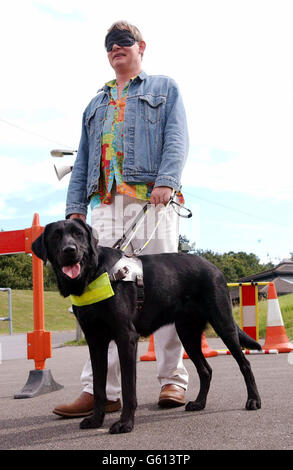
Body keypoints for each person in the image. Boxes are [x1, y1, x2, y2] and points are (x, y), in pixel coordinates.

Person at [53, 20, 189, 418]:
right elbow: (81, 161)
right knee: (99, 296)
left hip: (153, 200)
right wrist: (74, 208)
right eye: (110, 44)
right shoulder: (95, 104)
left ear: (141, 47)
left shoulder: (164, 89)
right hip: (105, 207)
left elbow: (177, 138)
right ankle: (102, 392)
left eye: (124, 42)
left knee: (165, 290)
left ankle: (172, 381)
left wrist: (166, 181)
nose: (116, 48)